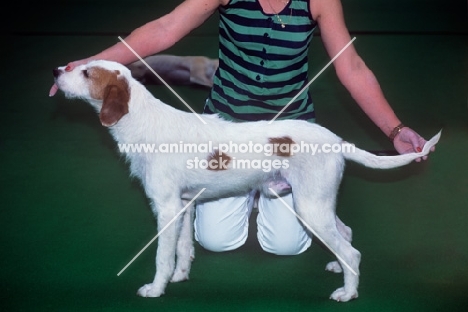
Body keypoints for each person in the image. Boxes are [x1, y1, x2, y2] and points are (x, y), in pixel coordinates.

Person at [50, 0, 433, 256]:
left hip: (286, 139)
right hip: (224, 136)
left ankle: (283, 190)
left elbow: (351, 68)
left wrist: (395, 130)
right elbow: (164, 29)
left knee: (284, 245)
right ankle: (248, 189)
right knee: (218, 241)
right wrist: (91, 64)